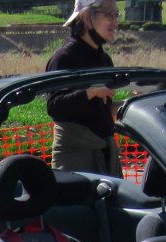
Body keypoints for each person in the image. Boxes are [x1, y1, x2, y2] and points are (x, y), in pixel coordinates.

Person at [45, 0, 123, 177]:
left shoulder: (105, 60)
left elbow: (101, 109)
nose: (115, 22)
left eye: (116, 15)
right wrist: (90, 92)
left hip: (105, 154)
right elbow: (55, 107)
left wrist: (129, 104)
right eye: (109, 14)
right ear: (87, 17)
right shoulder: (63, 58)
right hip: (75, 160)